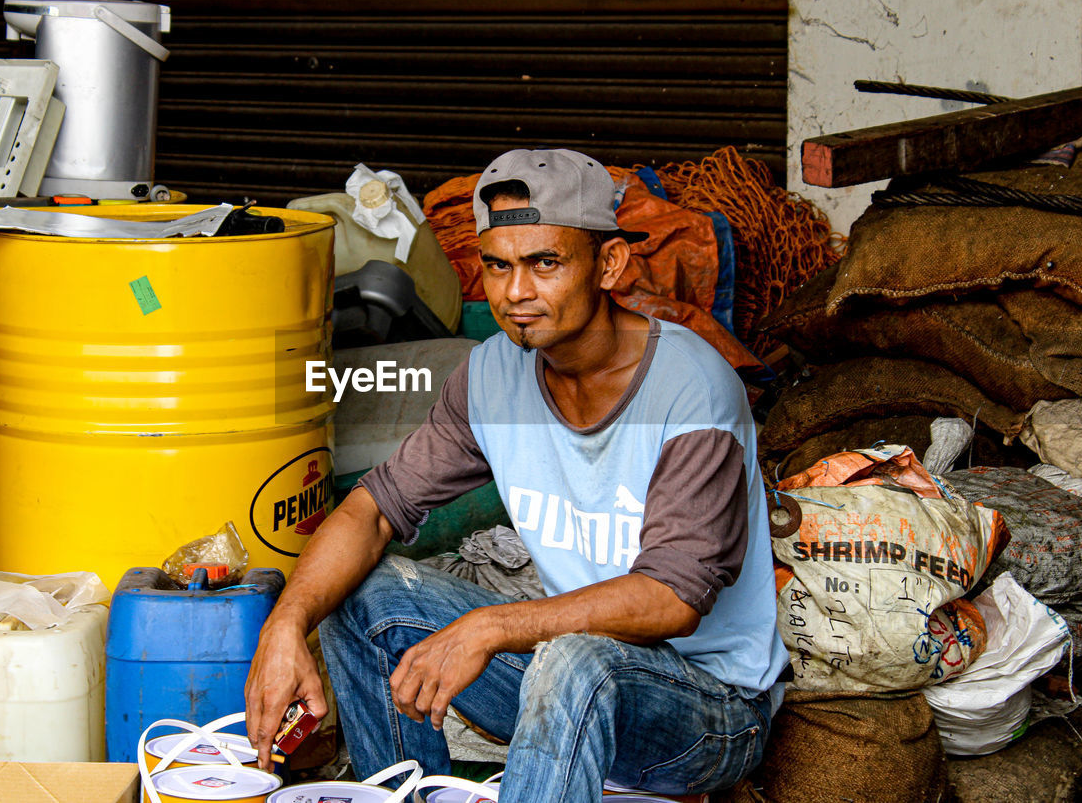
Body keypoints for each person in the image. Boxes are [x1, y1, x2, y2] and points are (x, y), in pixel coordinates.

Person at [245, 148, 789, 800]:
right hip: (562, 670)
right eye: (498, 266)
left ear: (610, 263)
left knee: (576, 661)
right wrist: (284, 624)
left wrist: (493, 625)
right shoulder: (491, 376)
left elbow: (672, 597)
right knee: (358, 595)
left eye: (545, 263)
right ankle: (402, 794)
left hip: (708, 710)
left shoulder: (692, 390)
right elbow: (375, 508)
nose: (515, 293)